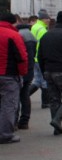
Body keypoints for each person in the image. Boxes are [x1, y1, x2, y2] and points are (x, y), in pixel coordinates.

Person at [0, 12, 28, 145]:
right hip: (8, 75)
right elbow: (22, 57)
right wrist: (23, 73)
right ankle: (5, 134)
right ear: (12, 22)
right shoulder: (13, 35)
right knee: (9, 105)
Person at [15, 18, 36, 131]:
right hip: (30, 69)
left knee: (14, 97)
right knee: (25, 96)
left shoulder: (17, 35)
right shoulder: (31, 35)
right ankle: (24, 121)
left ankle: (14, 121)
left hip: (19, 70)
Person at [29, 9, 50, 109]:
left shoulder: (34, 26)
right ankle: (45, 102)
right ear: (44, 19)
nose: (49, 20)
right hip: (40, 58)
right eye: (47, 18)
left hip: (34, 57)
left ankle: (24, 96)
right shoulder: (42, 29)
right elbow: (45, 45)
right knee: (44, 81)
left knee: (37, 80)